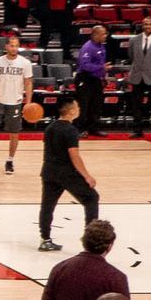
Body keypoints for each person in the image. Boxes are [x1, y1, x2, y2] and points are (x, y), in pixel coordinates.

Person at [36, 96, 97, 251]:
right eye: (77, 107)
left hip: (48, 171)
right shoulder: (70, 130)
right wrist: (86, 175)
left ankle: (45, 239)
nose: (79, 109)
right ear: (71, 111)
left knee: (47, 206)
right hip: (66, 173)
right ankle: (92, 241)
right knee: (91, 197)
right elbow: (74, 155)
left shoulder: (50, 127)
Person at [0, 33, 34, 175]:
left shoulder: (25, 63)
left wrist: (28, 102)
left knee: (14, 134)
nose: (14, 48)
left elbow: (28, 83)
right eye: (12, 45)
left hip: (15, 102)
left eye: (16, 46)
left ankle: (10, 161)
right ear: (6, 46)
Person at [73, 24, 110, 137]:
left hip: (96, 79)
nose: (105, 36)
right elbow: (85, 65)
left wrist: (103, 76)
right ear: (95, 35)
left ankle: (93, 128)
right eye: (103, 34)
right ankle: (79, 129)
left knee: (96, 105)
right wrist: (101, 68)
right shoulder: (88, 47)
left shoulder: (101, 46)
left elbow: (101, 63)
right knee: (83, 105)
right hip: (85, 78)